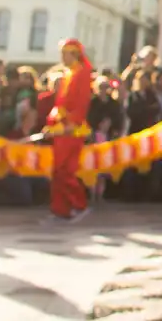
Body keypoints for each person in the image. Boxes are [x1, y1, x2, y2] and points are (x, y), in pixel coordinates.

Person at [44, 39, 94, 222]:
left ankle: (79, 205)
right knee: (58, 171)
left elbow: (81, 102)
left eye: (65, 53)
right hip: (61, 127)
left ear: (75, 54)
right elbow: (60, 103)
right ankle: (60, 209)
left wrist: (72, 122)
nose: (62, 57)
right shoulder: (68, 74)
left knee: (65, 171)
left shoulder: (82, 74)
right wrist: (52, 123)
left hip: (72, 129)